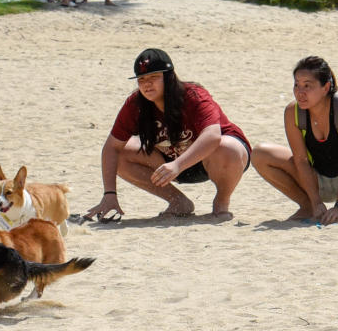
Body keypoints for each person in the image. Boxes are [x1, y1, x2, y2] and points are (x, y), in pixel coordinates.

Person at [84, 48, 251, 221]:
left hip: (216, 159)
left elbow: (213, 135)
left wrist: (178, 164)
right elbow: (111, 147)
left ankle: (221, 202)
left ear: (169, 76)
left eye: (153, 77)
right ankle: (178, 201)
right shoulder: (136, 104)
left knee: (226, 147)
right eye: (141, 79)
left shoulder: (193, 95)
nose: (147, 84)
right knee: (120, 154)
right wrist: (109, 194)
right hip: (172, 164)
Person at [251, 56, 338, 223]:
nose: (300, 92)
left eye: (307, 86)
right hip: (316, 180)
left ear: (326, 87)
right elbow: (301, 161)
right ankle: (307, 208)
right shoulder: (293, 112)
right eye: (296, 85)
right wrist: (315, 202)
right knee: (260, 153)